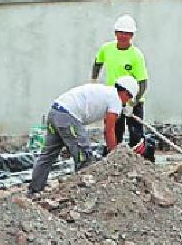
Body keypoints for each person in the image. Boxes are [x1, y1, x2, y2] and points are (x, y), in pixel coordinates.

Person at [27, 76, 139, 194]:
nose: (126, 102)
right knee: (84, 156)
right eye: (129, 98)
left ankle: (34, 190)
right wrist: (115, 155)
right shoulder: (115, 99)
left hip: (55, 112)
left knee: (47, 155)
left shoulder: (106, 92)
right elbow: (109, 130)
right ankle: (82, 195)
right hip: (68, 116)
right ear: (126, 92)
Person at [90, 14, 151, 160]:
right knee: (113, 131)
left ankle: (140, 162)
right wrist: (94, 79)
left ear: (132, 35)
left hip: (132, 101)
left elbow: (143, 83)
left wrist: (133, 102)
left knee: (136, 134)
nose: (124, 36)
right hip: (113, 99)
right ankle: (111, 160)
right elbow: (98, 63)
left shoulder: (136, 56)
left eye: (128, 34)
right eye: (121, 32)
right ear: (115, 33)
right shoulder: (107, 49)